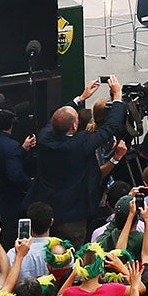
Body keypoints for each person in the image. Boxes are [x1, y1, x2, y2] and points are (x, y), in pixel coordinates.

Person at [31, 80, 122, 242]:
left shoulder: (44, 137)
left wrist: (80, 98)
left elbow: (57, 118)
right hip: (73, 215)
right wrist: (117, 97)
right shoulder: (80, 144)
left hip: (49, 209)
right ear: (74, 127)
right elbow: (110, 127)